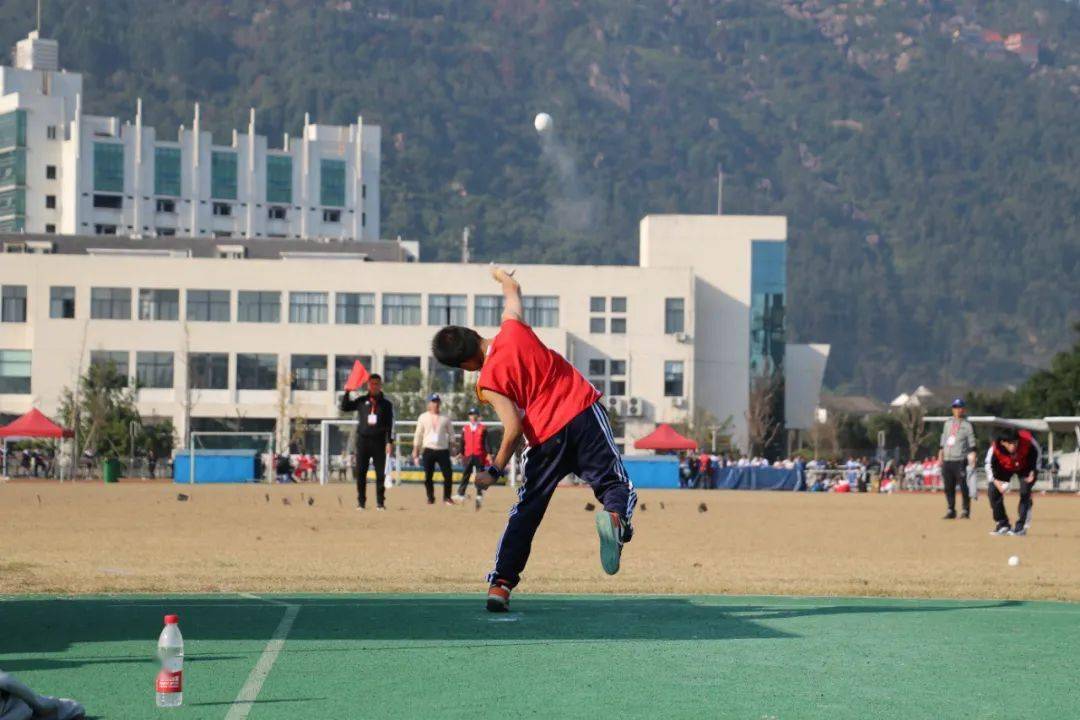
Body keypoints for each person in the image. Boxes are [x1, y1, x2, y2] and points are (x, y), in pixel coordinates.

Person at [431, 265, 636, 612]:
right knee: (614, 484)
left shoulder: (487, 381)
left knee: (527, 510)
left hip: (544, 438)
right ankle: (615, 517)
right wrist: (499, 275)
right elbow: (513, 290)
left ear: (466, 364)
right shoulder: (513, 328)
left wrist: (494, 470)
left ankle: (501, 585)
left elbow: (512, 429)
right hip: (583, 412)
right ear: (473, 332)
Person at [339, 373, 395, 510]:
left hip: (379, 442)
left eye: (377, 383)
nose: (374, 386)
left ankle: (380, 503)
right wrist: (347, 391)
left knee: (380, 474)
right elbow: (345, 407)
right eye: (372, 383)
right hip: (363, 441)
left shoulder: (387, 404)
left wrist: (389, 442)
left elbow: (390, 425)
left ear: (380, 385)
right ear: (368, 385)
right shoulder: (361, 401)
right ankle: (361, 503)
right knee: (361, 473)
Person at [985, 427, 1041, 536]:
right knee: (993, 491)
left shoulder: (1028, 441)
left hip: (1026, 466)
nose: (1013, 446)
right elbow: (988, 465)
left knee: (1025, 492)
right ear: (1003, 442)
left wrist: (1034, 471)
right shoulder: (995, 448)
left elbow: (1037, 454)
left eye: (1015, 443)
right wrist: (995, 482)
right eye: (1010, 444)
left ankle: (1020, 527)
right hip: (1004, 467)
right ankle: (1002, 524)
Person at [412, 393, 455, 505]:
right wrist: (416, 448)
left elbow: (451, 433)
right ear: (429, 404)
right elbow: (418, 434)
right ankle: (430, 497)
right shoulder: (423, 417)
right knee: (428, 476)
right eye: (433, 402)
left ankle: (447, 497)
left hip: (443, 449)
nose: (435, 404)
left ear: (439, 403)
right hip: (428, 449)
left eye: (437, 402)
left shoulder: (445, 417)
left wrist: (452, 446)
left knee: (448, 474)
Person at [938, 398, 977, 519]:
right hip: (947, 460)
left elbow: (972, 444)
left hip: (960, 460)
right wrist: (940, 455)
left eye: (960, 407)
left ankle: (965, 510)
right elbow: (943, 440)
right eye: (955, 407)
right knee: (948, 487)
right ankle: (951, 509)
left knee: (963, 487)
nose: (957, 410)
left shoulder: (967, 426)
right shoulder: (947, 424)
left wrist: (973, 457)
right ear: (952, 409)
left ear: (963, 409)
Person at [454, 407, 490, 509]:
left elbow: (486, 443)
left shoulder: (483, 428)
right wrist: (460, 452)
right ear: (469, 416)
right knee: (466, 474)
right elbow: (462, 442)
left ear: (478, 416)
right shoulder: (465, 428)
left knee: (479, 475)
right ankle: (461, 493)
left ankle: (479, 495)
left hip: (479, 455)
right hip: (468, 455)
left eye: (474, 415)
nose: (473, 417)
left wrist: (489, 453)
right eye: (471, 415)